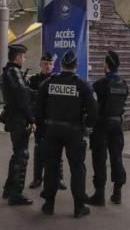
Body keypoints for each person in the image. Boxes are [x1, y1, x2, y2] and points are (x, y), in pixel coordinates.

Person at [36, 49, 97, 218]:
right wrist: (87, 126)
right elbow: (93, 110)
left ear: (61, 65)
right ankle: (79, 207)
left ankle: (48, 205)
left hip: (52, 130)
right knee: (77, 169)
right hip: (73, 131)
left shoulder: (49, 83)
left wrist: (41, 129)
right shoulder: (82, 85)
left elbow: (38, 108)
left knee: (51, 167)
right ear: (76, 66)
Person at [86, 51, 128, 206]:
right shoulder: (123, 84)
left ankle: (99, 195)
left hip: (101, 126)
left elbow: (93, 106)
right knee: (117, 158)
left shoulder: (99, 84)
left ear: (107, 65)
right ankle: (117, 192)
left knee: (99, 159)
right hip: (117, 126)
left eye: (104, 62)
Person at [0, 43, 35, 206]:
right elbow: (23, 99)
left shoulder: (8, 72)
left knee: (17, 154)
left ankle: (9, 188)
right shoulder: (14, 73)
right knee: (22, 155)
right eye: (23, 56)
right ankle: (16, 194)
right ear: (18, 57)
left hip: (14, 118)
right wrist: (31, 119)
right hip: (19, 119)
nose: (24, 59)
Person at [28, 52, 67, 191]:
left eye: (50, 64)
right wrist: (31, 120)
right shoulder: (33, 80)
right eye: (45, 64)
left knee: (57, 150)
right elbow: (30, 102)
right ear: (40, 65)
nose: (48, 66)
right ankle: (37, 178)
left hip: (54, 120)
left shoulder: (58, 80)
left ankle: (59, 178)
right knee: (39, 150)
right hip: (40, 119)